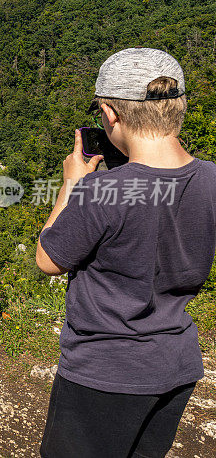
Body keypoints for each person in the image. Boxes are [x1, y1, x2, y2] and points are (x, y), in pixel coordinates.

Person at [36, 48, 216, 457]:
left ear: (111, 114)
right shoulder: (211, 178)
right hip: (177, 365)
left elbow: (48, 259)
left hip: (105, 372)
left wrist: (72, 185)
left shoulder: (103, 191)